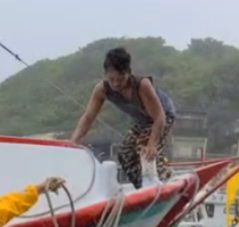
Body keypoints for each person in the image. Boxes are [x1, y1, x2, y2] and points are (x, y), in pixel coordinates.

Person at [69, 47, 177, 189]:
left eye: (120, 79)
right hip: (143, 121)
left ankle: (164, 177)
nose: (116, 84)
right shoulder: (102, 89)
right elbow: (88, 117)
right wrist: (74, 141)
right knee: (125, 154)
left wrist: (152, 145)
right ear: (105, 74)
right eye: (111, 79)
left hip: (162, 115)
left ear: (129, 73)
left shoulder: (142, 85)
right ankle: (141, 187)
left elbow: (159, 117)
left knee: (144, 149)